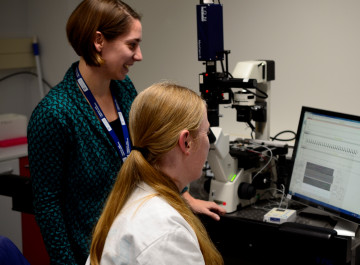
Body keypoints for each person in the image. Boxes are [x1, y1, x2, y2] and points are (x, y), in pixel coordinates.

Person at [27, 0, 225, 264]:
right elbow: (47, 206)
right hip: (94, 250)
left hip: (136, 230)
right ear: (99, 41)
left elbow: (150, 149)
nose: (139, 55)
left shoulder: (123, 89)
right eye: (131, 45)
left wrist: (183, 194)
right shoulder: (54, 114)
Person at [87, 82, 224, 265]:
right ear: (186, 142)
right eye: (206, 133)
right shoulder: (166, 234)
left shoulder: (133, 195)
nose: (209, 142)